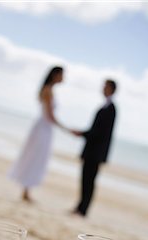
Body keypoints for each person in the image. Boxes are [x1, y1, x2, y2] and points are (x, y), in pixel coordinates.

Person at [9, 66, 66, 202]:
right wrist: (66, 129)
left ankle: (27, 190)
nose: (63, 78)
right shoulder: (47, 90)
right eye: (62, 75)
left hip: (44, 128)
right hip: (43, 128)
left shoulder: (49, 90)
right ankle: (26, 190)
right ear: (55, 75)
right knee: (35, 158)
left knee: (37, 158)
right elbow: (49, 115)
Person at [72, 79, 117, 216]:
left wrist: (82, 133)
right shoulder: (105, 106)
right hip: (92, 151)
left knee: (89, 180)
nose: (103, 88)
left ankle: (83, 209)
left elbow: (102, 133)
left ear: (111, 89)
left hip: (95, 153)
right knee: (85, 179)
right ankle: (80, 207)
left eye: (105, 86)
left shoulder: (111, 108)